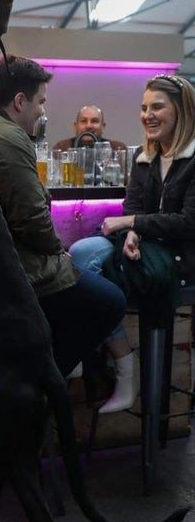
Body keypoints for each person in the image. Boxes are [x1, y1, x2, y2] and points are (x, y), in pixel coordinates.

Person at [0, 56, 126, 379]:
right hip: (17, 275)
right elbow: (32, 220)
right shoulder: (11, 138)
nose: (42, 111)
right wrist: (57, 249)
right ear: (20, 101)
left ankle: (47, 372)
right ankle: (41, 382)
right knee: (111, 301)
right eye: (40, 101)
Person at [69, 74, 195, 413]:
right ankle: (119, 357)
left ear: (181, 110)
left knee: (94, 270)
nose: (147, 115)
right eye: (144, 108)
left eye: (157, 107)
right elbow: (134, 208)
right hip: (147, 246)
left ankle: (103, 360)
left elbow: (188, 223)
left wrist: (131, 225)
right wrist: (132, 234)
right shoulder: (144, 155)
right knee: (78, 254)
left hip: (180, 257)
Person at [53, 104, 127, 151]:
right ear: (75, 126)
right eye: (83, 121)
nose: (88, 126)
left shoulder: (117, 149)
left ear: (103, 127)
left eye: (94, 121)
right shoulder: (62, 148)